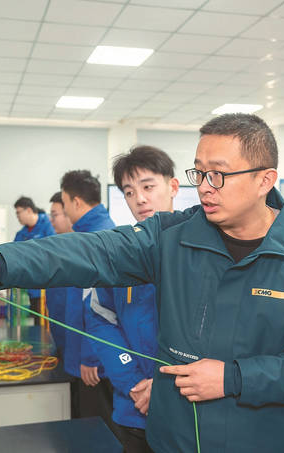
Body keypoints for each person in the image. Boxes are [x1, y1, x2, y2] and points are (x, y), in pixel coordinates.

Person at [0, 114, 284, 452]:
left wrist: (234, 378)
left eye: (218, 175)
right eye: (199, 173)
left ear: (264, 180)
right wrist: (0, 261)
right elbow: (92, 252)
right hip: (171, 442)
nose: (205, 188)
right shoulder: (171, 237)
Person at [84, 145, 178, 452]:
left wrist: (164, 388)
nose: (139, 199)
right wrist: (134, 383)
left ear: (173, 186)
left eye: (148, 187)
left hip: (187, 408)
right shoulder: (119, 252)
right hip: (134, 406)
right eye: (129, 192)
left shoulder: (201, 252)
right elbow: (100, 319)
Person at [58, 170, 121, 438]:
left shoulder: (98, 238)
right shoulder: (89, 233)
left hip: (95, 364)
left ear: (76, 202)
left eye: (64, 203)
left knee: (99, 430)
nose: (64, 210)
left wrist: (90, 356)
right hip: (85, 356)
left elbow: (102, 308)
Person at [42, 191, 73, 358]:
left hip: (75, 345)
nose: (51, 220)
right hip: (60, 338)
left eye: (55, 215)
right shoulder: (57, 246)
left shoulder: (81, 251)